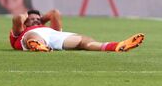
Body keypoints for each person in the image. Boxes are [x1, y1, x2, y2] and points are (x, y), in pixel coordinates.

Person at [9, 8, 144, 53]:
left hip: (53, 36)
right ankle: (37, 45)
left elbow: (55, 13)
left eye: (38, 19)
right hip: (32, 37)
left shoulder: (48, 28)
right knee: (33, 35)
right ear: (26, 22)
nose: (36, 20)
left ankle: (116, 46)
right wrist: (29, 17)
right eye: (32, 19)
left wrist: (40, 19)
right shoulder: (20, 32)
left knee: (83, 41)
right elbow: (17, 18)